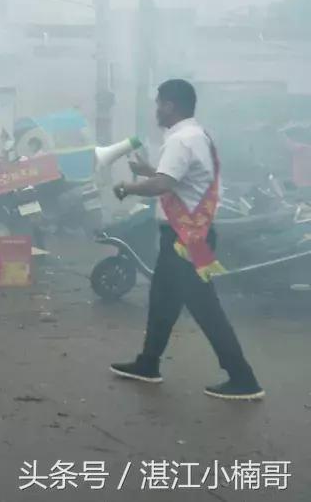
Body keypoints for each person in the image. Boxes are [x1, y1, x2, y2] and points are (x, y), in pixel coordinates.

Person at [111, 79, 263, 401]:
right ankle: (148, 363)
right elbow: (179, 179)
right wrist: (149, 170)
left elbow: (163, 185)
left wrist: (128, 186)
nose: (156, 110)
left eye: (158, 104)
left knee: (205, 308)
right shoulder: (198, 135)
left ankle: (243, 378)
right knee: (163, 301)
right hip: (189, 235)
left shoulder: (180, 140)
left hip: (185, 238)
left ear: (170, 105)